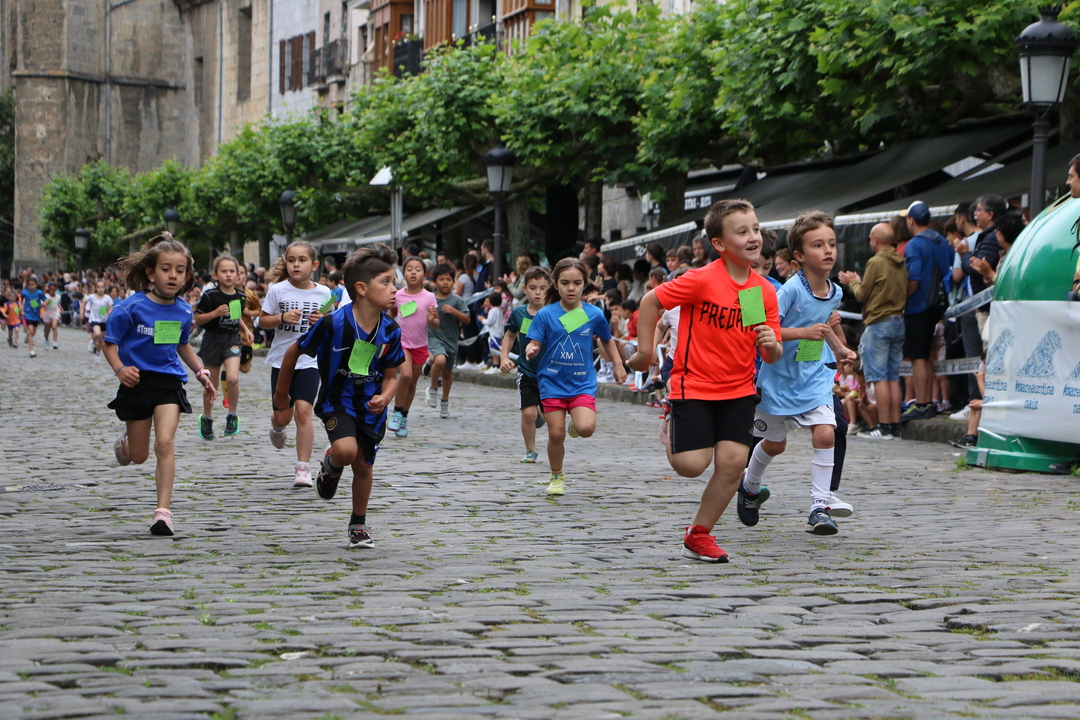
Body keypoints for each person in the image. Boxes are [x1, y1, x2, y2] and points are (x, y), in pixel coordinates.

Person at [628, 199, 782, 562]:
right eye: (742, 232)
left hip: (739, 388)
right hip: (693, 385)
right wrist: (645, 353)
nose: (753, 237)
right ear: (719, 243)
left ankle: (698, 534)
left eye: (756, 229)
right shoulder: (701, 280)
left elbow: (770, 351)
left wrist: (771, 343)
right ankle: (671, 420)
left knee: (733, 463)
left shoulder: (759, 291)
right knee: (690, 466)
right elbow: (650, 302)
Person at [273, 244, 403, 549]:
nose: (394, 289)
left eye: (393, 282)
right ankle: (332, 464)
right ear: (361, 289)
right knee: (345, 451)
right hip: (337, 401)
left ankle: (358, 524)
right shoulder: (333, 323)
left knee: (364, 467)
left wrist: (386, 397)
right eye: (386, 282)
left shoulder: (391, 330)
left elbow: (392, 376)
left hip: (371, 408)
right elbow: (293, 351)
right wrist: (281, 393)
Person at [746, 211, 856, 536]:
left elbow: (822, 324)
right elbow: (765, 330)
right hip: (779, 377)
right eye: (818, 245)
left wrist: (839, 349)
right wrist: (804, 333)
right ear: (799, 256)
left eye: (831, 244)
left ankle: (819, 507)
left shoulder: (836, 292)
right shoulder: (789, 290)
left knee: (826, 432)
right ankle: (749, 486)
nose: (828, 251)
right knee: (774, 444)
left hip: (813, 375)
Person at [104, 235, 217, 536]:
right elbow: (109, 344)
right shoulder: (129, 308)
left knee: (164, 443)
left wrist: (200, 372)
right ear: (151, 274)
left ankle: (163, 513)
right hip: (137, 381)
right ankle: (127, 444)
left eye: (180, 271)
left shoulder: (184, 311)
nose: (173, 276)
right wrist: (120, 369)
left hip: (168, 381)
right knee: (139, 456)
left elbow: (182, 345)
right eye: (166, 269)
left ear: (187, 277)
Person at [525, 258, 627, 496]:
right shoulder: (546, 314)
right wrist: (532, 348)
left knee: (586, 428)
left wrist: (618, 364)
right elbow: (534, 340)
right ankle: (556, 475)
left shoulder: (594, 314)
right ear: (555, 284)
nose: (571, 288)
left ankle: (575, 422)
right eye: (565, 283)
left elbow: (607, 340)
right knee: (556, 434)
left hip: (582, 383)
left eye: (577, 283)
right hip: (551, 381)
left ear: (585, 284)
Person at [259, 241, 332, 489]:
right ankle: (277, 426)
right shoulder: (278, 291)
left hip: (310, 360)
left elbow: (332, 323)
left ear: (314, 264)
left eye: (302, 260)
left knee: (303, 411)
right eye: (291, 260)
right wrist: (281, 317)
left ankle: (303, 468)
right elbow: (263, 321)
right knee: (283, 415)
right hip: (282, 360)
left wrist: (323, 320)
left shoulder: (324, 293)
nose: (296, 265)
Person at [838, 222, 907, 439]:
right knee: (893, 377)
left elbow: (862, 294)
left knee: (878, 377)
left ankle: (884, 426)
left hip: (879, 322)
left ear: (875, 240)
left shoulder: (876, 261)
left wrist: (853, 282)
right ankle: (895, 425)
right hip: (898, 321)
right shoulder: (900, 261)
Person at [900, 201, 954, 421]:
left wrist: (902, 300)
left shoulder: (914, 244)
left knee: (918, 357)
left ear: (911, 220)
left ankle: (922, 403)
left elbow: (914, 277)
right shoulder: (942, 241)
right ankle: (928, 402)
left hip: (918, 305)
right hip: (939, 304)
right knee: (927, 355)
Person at [194, 255, 253, 440]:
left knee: (233, 378)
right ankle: (207, 418)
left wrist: (245, 330)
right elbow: (198, 319)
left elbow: (236, 316)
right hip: (212, 340)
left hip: (232, 340)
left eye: (232, 271)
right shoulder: (210, 295)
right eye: (224, 271)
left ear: (238, 275)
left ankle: (232, 416)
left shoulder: (240, 296)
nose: (228, 275)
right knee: (211, 384)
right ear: (215, 275)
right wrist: (214, 313)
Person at [500, 266, 551, 463]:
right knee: (528, 413)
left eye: (543, 288)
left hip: (551, 372)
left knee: (549, 415)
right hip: (527, 371)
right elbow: (510, 335)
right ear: (524, 289)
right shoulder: (519, 313)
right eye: (533, 288)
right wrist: (504, 357)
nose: (538, 293)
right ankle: (530, 450)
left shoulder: (554, 313)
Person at [388, 257, 439, 438]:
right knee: (405, 375)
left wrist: (432, 318)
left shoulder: (429, 297)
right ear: (404, 274)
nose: (413, 273)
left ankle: (403, 416)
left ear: (425, 275)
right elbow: (392, 312)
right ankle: (396, 412)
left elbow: (435, 323)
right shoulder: (398, 295)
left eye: (418, 269)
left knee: (412, 384)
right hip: (403, 343)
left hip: (420, 345)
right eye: (409, 269)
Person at [425, 264, 471, 419]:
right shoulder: (430, 298)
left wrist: (454, 311)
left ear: (453, 282)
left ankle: (445, 401)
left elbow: (467, 319)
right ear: (435, 281)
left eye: (448, 279)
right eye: (441, 279)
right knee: (440, 360)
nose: (445, 282)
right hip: (434, 337)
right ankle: (433, 389)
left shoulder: (457, 300)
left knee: (447, 373)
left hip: (451, 340)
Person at [84, 280, 114, 359]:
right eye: (99, 287)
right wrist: (81, 312)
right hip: (94, 319)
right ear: (96, 288)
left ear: (105, 288)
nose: (100, 289)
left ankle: (97, 354)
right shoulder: (92, 297)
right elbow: (84, 302)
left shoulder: (107, 298)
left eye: (102, 287)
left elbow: (111, 307)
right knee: (97, 333)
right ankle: (92, 342)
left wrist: (110, 311)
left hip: (103, 320)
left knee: (100, 339)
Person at [20, 277, 47, 357]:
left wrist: (44, 304)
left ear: (36, 284)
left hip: (36, 313)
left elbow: (45, 300)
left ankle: (28, 336)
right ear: (27, 285)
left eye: (33, 284)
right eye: (29, 285)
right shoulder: (24, 292)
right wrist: (21, 309)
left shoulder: (39, 292)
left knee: (33, 332)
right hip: (28, 313)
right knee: (31, 331)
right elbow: (20, 300)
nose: (31, 286)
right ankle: (32, 351)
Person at [42, 282, 61, 350]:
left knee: (54, 326)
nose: (52, 291)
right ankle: (46, 340)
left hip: (55, 312)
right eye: (51, 290)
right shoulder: (46, 296)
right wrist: (46, 302)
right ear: (49, 290)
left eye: (54, 290)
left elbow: (57, 303)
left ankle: (55, 342)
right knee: (47, 329)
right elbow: (43, 304)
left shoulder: (58, 296)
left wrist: (61, 308)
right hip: (47, 314)